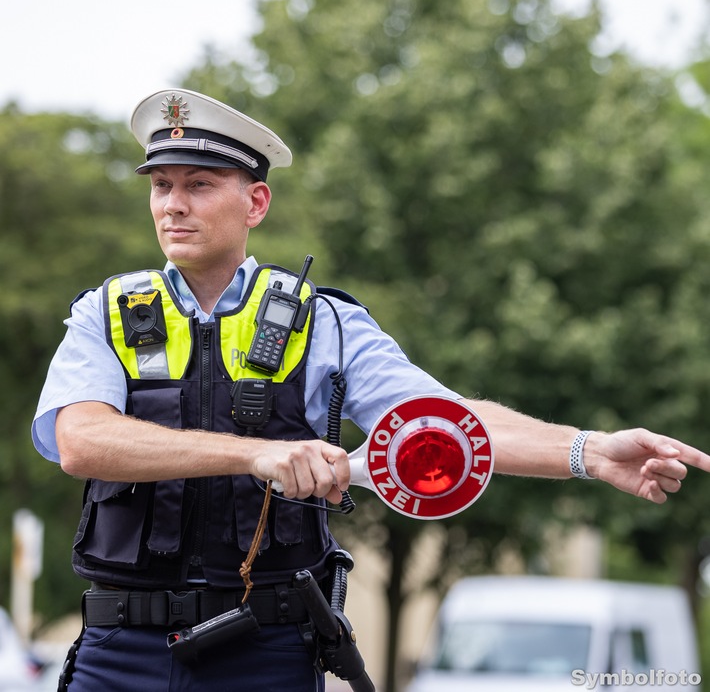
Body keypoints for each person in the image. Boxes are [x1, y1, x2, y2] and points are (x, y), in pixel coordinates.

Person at [32, 88, 710, 692]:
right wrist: (253, 454)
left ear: (256, 202)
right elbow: (81, 440)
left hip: (265, 651)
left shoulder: (324, 320)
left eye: (200, 184)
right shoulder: (107, 311)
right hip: (119, 650)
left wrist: (589, 452)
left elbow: (446, 422)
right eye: (162, 186)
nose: (174, 204)